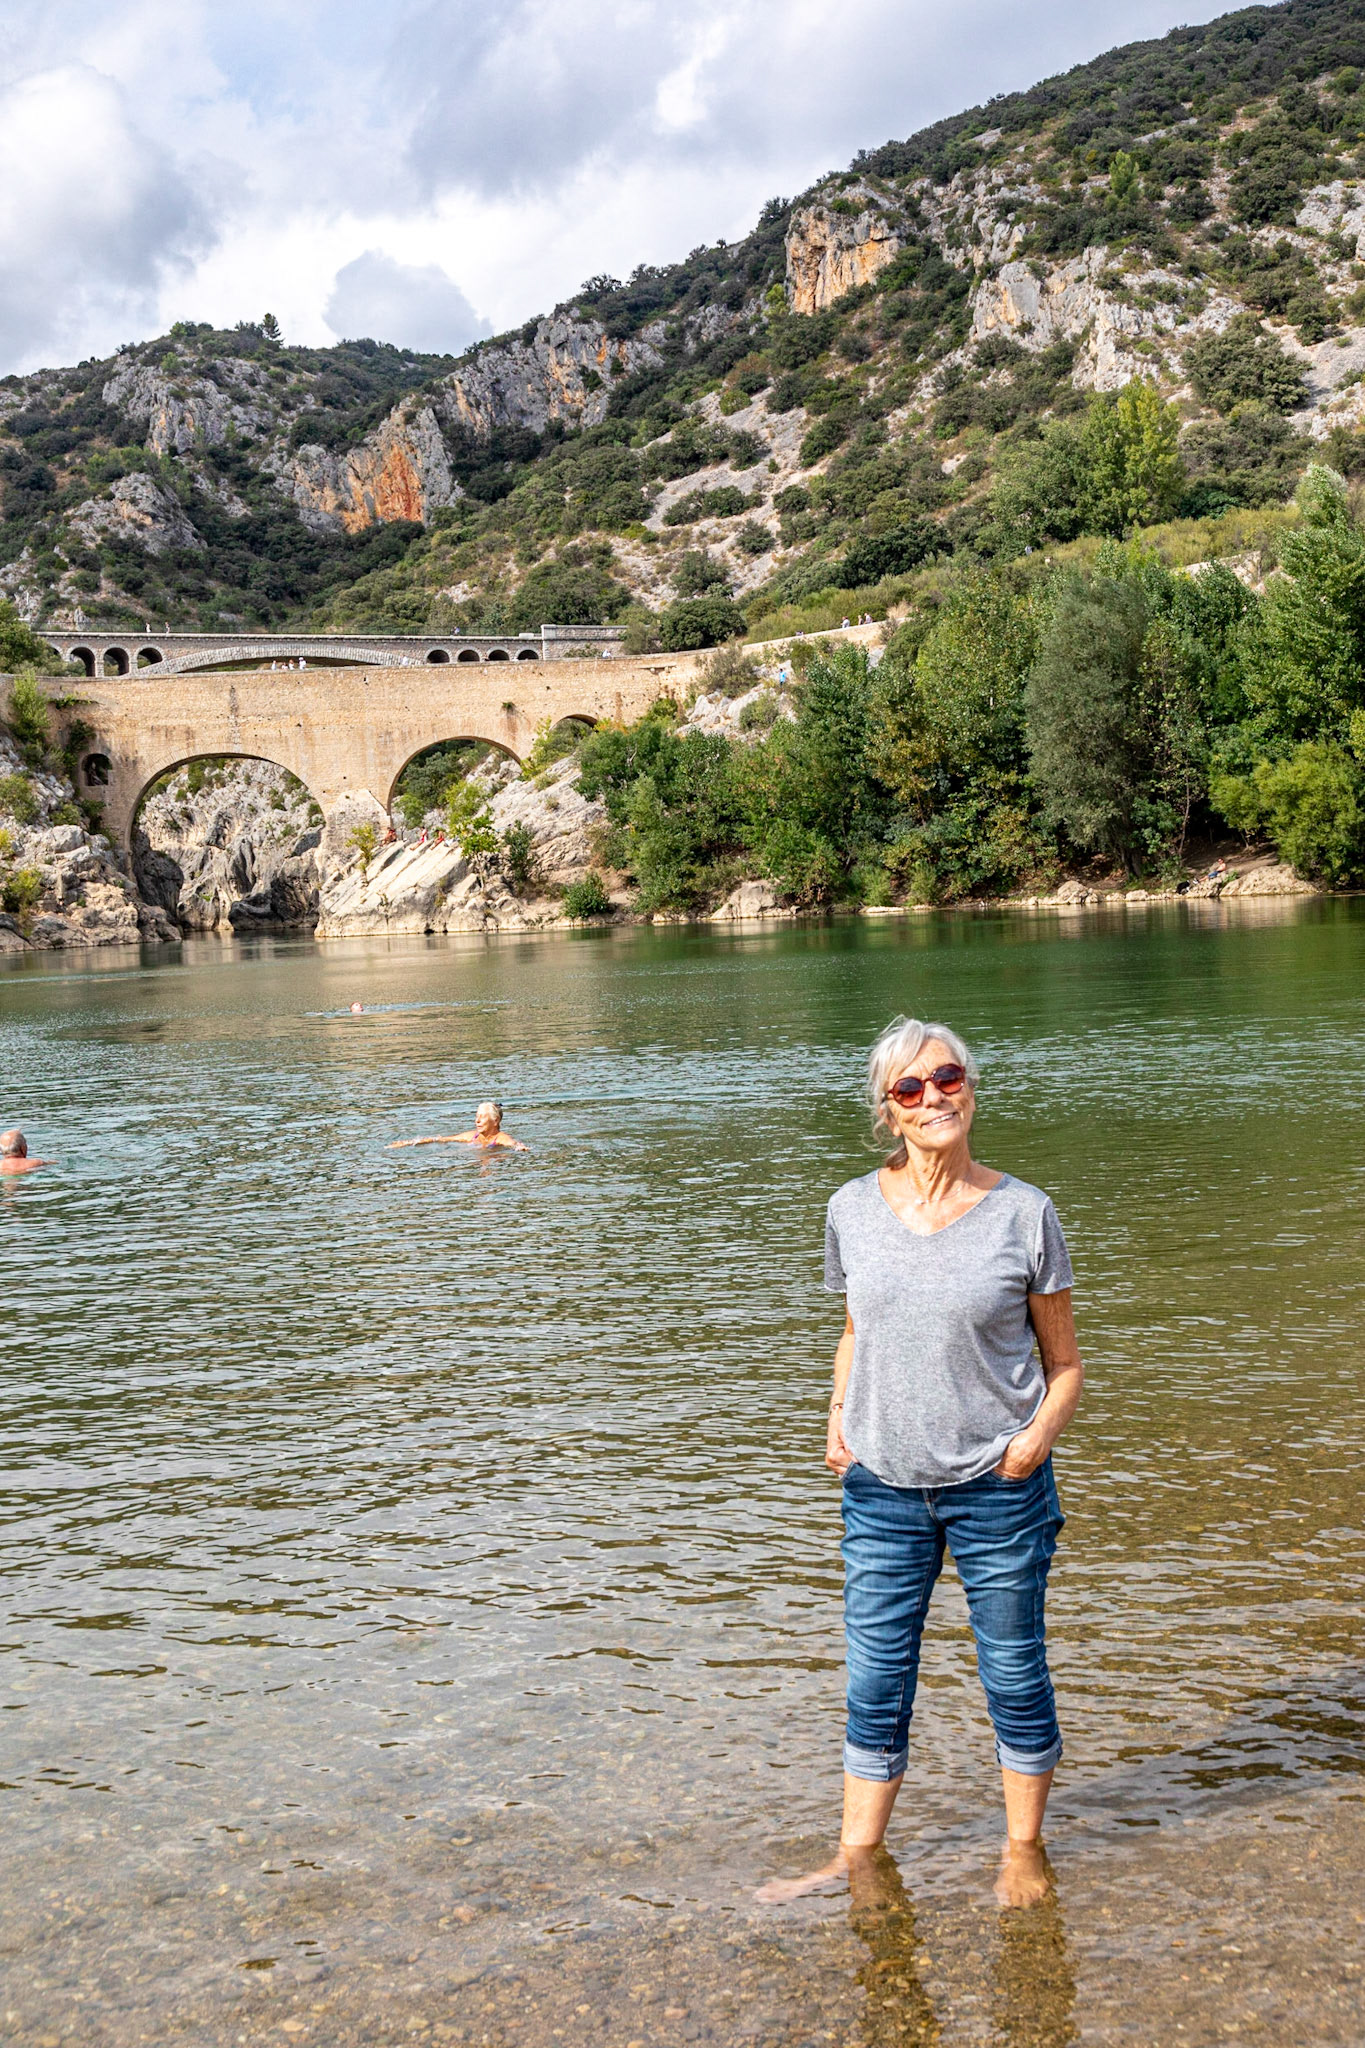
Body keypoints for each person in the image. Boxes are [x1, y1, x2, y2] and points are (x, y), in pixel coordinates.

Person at [759, 1017, 1083, 1910]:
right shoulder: (849, 1209)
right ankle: (854, 1860)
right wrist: (836, 1421)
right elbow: (856, 1332)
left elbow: (1065, 1365)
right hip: (880, 1489)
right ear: (887, 1112)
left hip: (998, 1490)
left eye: (946, 1078)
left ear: (969, 1086)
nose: (933, 1096)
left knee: (1012, 1672)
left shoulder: (1025, 1212)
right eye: (910, 1088)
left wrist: (1029, 1446)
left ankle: (1022, 1851)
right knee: (874, 1681)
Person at [388, 1101, 527, 1152]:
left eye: (482, 1117)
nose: (477, 1121)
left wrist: (519, 1147)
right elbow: (441, 1139)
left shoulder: (500, 1138)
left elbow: (513, 1144)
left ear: (495, 1121)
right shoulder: (472, 1136)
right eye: (476, 1116)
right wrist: (408, 1142)